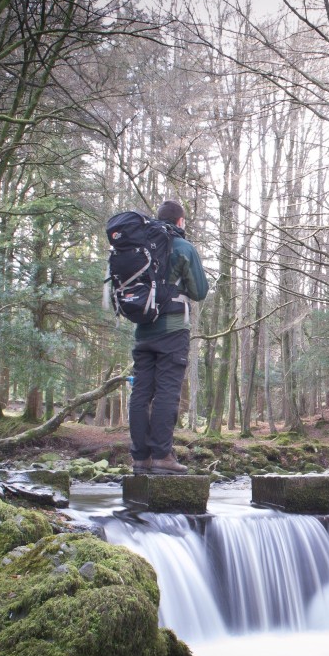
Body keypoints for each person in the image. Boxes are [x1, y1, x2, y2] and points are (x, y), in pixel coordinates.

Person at [128, 200, 208, 475]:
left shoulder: (140, 246)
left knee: (140, 391)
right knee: (166, 392)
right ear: (180, 222)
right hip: (172, 329)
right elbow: (199, 290)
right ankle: (162, 455)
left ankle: (140, 458)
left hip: (142, 329)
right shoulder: (182, 247)